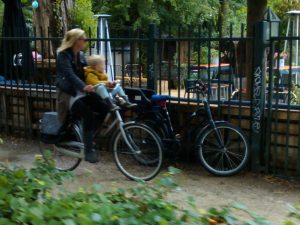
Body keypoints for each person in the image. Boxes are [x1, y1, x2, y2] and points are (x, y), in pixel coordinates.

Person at [56, 28, 108, 163]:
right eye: (83, 39)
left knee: (104, 107)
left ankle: (88, 138)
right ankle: (88, 151)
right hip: (69, 93)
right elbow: (69, 75)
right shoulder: (63, 55)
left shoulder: (80, 55)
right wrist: (83, 86)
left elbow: (88, 72)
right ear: (75, 41)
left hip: (82, 91)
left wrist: (104, 82)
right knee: (88, 114)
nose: (85, 41)